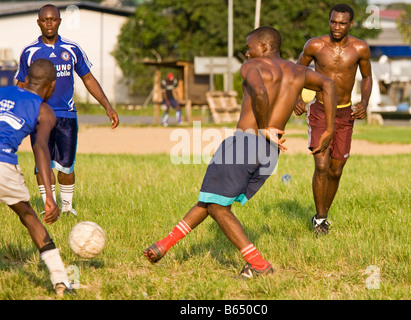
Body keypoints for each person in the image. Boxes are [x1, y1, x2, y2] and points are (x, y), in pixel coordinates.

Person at [144, 26, 337, 278]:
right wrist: (329, 129)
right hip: (269, 153)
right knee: (212, 199)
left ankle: (257, 264)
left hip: (247, 143)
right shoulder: (299, 72)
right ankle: (164, 245)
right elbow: (329, 84)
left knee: (217, 207)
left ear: (264, 48)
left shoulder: (253, 66)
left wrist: (265, 127)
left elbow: (259, 91)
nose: (247, 53)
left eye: (250, 47)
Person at [15, 4, 119, 216]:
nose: (49, 23)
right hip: (39, 117)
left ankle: (67, 207)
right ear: (38, 23)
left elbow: (88, 78)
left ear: (60, 21)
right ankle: (48, 206)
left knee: (66, 166)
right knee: (42, 163)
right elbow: (21, 84)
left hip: (66, 116)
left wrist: (107, 106)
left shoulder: (72, 49)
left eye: (53, 19)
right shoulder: (29, 51)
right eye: (45, 20)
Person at [294, 3, 373, 236]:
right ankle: (320, 220)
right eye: (333, 22)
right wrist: (296, 98)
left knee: (336, 171)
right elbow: (296, 71)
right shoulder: (315, 45)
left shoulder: (360, 48)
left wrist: (365, 103)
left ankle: (323, 213)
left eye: (341, 23)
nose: (336, 27)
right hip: (319, 111)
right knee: (321, 166)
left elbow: (367, 77)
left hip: (345, 113)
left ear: (350, 24)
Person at [0, 59, 74, 296]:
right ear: (51, 86)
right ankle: (60, 280)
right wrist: (50, 197)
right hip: (3, 165)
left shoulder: (4, 92)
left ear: (28, 78)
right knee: (28, 215)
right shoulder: (44, 110)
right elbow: (41, 148)